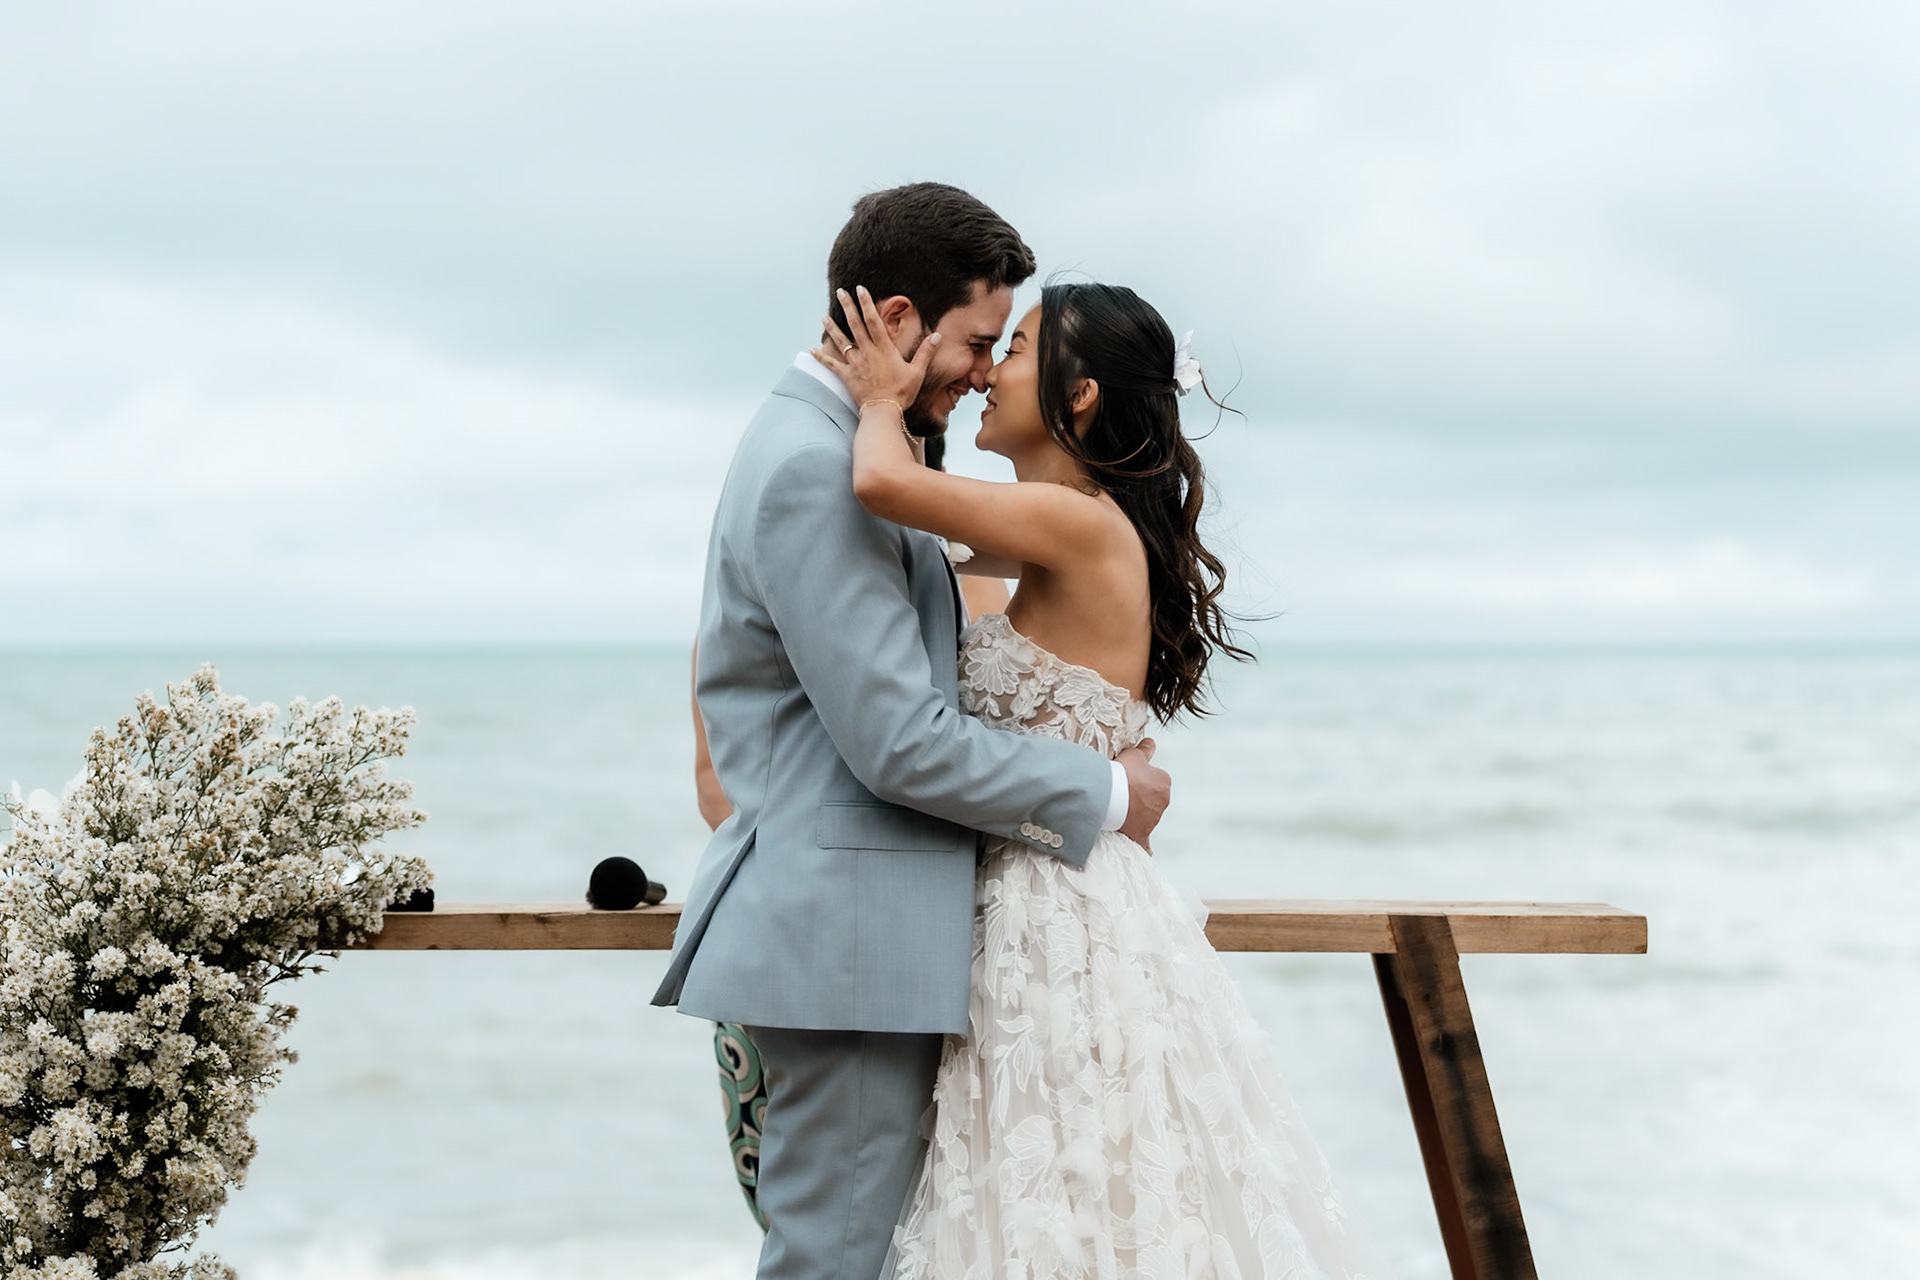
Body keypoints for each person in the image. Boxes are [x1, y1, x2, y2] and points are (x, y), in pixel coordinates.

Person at [651, 183, 1172, 1280]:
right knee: (834, 1261)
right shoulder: (816, 468)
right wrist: (1107, 794)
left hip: (875, 944)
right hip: (847, 946)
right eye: (981, 339)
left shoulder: (848, 450)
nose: (986, 369)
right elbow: (900, 743)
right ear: (896, 323)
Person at [814, 281, 1379, 1277]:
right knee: (1073, 1192)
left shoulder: (1075, 519)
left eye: (1017, 349)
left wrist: (874, 394)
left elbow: (882, 490)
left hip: (1054, 913)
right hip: (1056, 892)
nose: (989, 373)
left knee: (1065, 1192)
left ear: (1078, 397)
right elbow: (924, 546)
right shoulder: (1062, 523)